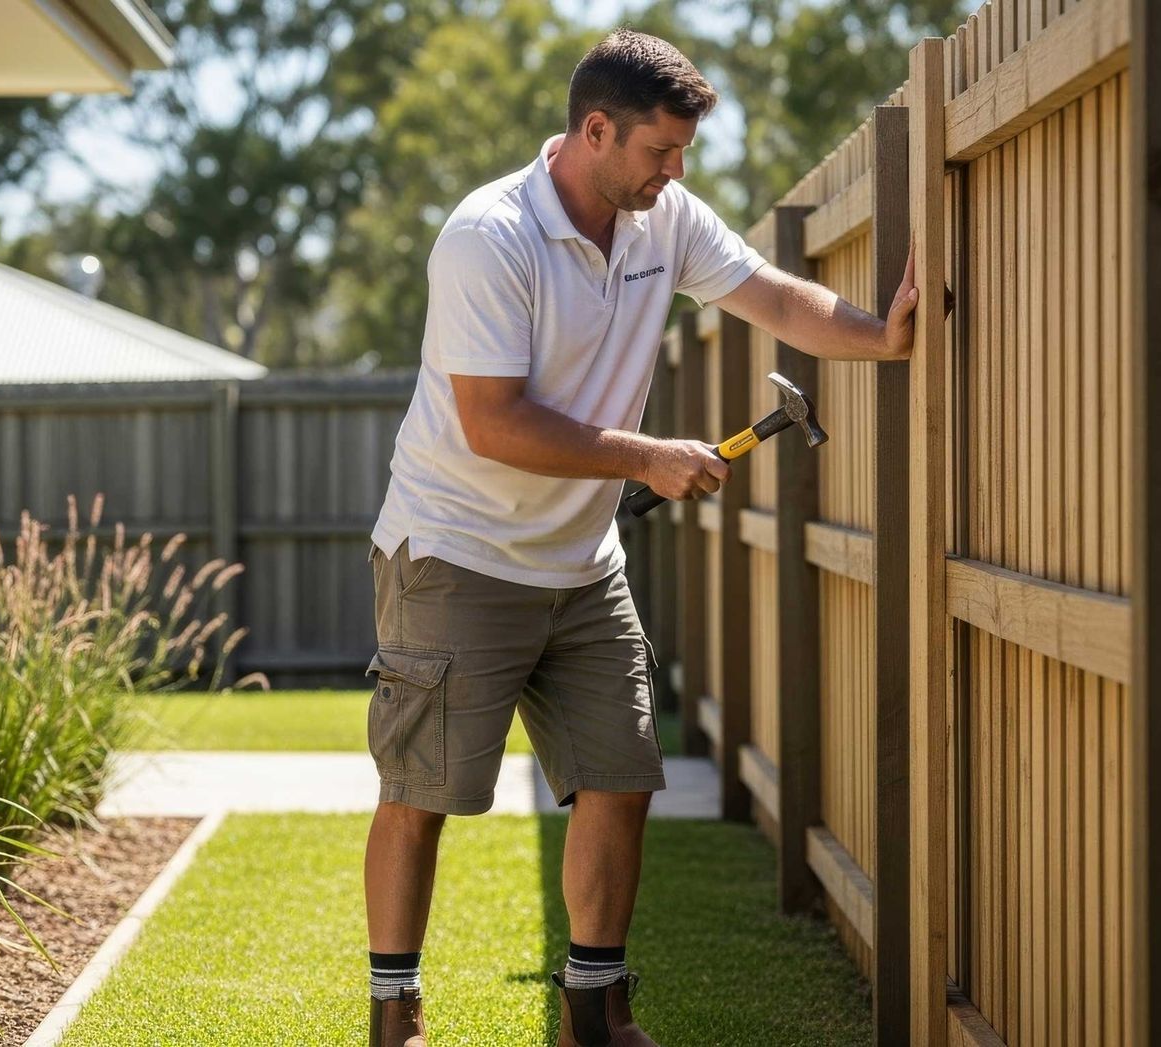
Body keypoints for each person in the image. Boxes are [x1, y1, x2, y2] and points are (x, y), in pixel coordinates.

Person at [364, 28, 928, 1047]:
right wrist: (643, 457)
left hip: (583, 566)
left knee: (620, 776)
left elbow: (773, 296)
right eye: (660, 152)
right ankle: (394, 1016)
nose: (676, 174)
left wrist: (877, 337)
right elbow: (494, 422)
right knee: (424, 793)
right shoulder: (488, 238)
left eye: (683, 156)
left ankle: (597, 1012)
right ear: (594, 130)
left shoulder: (663, 220)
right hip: (455, 552)